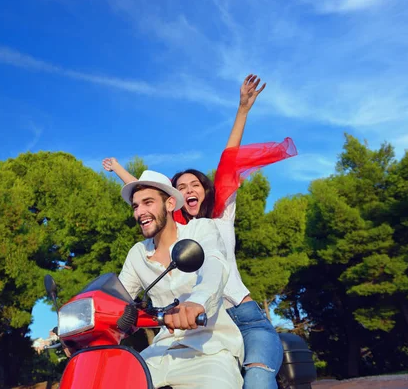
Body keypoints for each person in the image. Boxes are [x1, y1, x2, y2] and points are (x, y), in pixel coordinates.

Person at [105, 75, 296, 388]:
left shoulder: (215, 220)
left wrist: (243, 111)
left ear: (206, 191)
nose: (188, 190)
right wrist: (119, 172)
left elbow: (228, 161)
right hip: (193, 326)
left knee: (258, 378)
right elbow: (147, 196)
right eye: (181, 187)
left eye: (195, 185)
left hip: (241, 315)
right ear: (174, 201)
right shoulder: (174, 230)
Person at [118, 170, 244, 389]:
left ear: (169, 204)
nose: (140, 212)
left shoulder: (200, 229)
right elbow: (118, 300)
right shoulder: (137, 253)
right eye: (136, 206)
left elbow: (214, 265)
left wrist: (198, 302)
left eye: (148, 202)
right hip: (159, 351)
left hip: (210, 349)